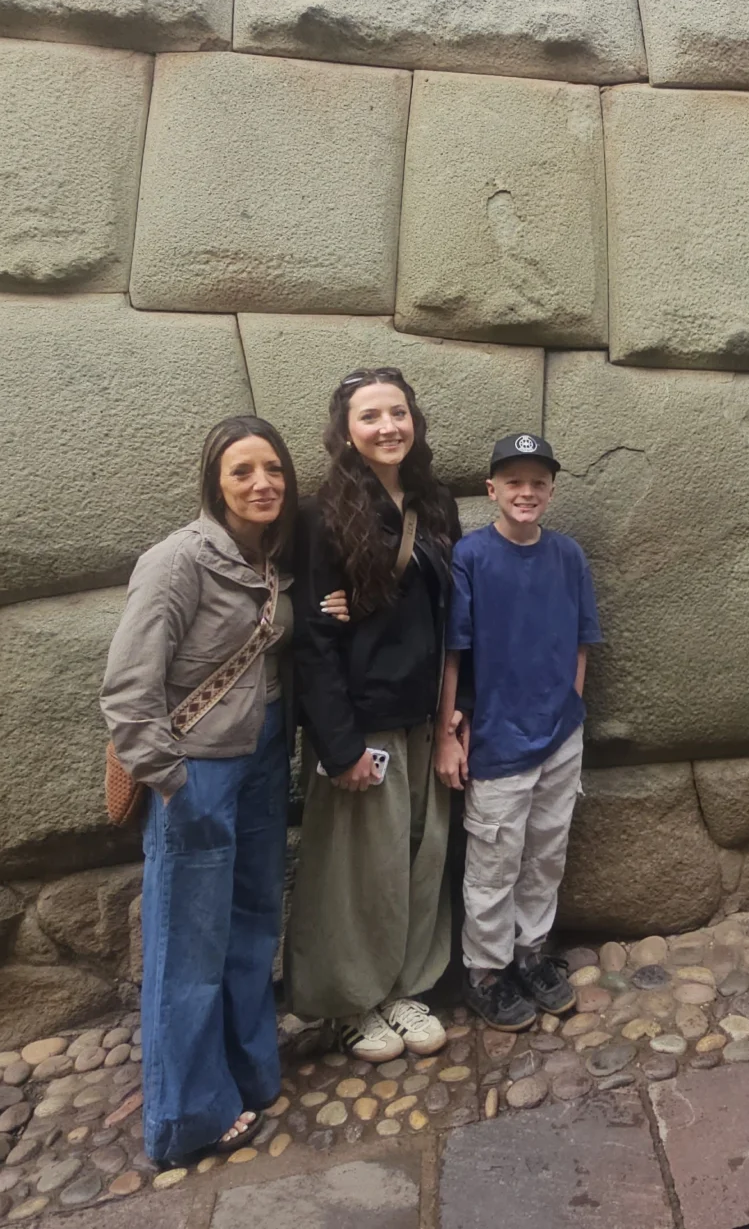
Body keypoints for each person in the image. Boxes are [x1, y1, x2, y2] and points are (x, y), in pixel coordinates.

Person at [100, 415, 299, 1167]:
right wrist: (170, 778)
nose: (262, 483)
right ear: (215, 483)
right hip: (199, 770)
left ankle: (248, 1072)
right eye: (242, 471)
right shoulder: (177, 561)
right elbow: (128, 686)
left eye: (273, 469)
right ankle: (186, 1117)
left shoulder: (271, 558)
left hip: (262, 756)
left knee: (252, 922)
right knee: (188, 940)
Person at [285, 367, 463, 1062]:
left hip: (422, 714)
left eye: (398, 412)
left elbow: (450, 616)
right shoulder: (322, 515)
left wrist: (451, 720)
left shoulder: (434, 504)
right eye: (370, 416)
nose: (387, 426)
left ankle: (403, 986)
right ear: (345, 430)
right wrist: (339, 744)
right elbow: (313, 639)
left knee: (420, 858)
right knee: (355, 870)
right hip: (364, 723)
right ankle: (348, 1000)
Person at [438, 433, 604, 1031]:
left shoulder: (568, 556)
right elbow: (453, 651)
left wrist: (570, 706)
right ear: (492, 490)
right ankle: (485, 970)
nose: (526, 492)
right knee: (494, 860)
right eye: (514, 482)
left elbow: (582, 639)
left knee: (546, 853)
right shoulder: (471, 557)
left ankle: (531, 953)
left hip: (559, 733)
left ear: (552, 491)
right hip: (497, 738)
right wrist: (446, 731)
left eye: (538, 482)